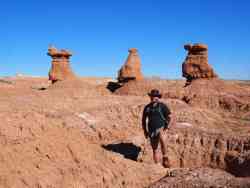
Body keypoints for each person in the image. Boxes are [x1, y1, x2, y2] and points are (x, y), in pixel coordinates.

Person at [142, 89, 171, 167]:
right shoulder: (147, 108)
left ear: (158, 97)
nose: (154, 98)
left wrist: (167, 126)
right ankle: (158, 166)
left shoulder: (162, 106)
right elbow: (143, 120)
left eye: (156, 96)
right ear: (150, 97)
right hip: (151, 130)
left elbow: (169, 116)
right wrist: (145, 131)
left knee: (162, 140)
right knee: (154, 149)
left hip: (161, 128)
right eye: (152, 96)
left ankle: (165, 157)